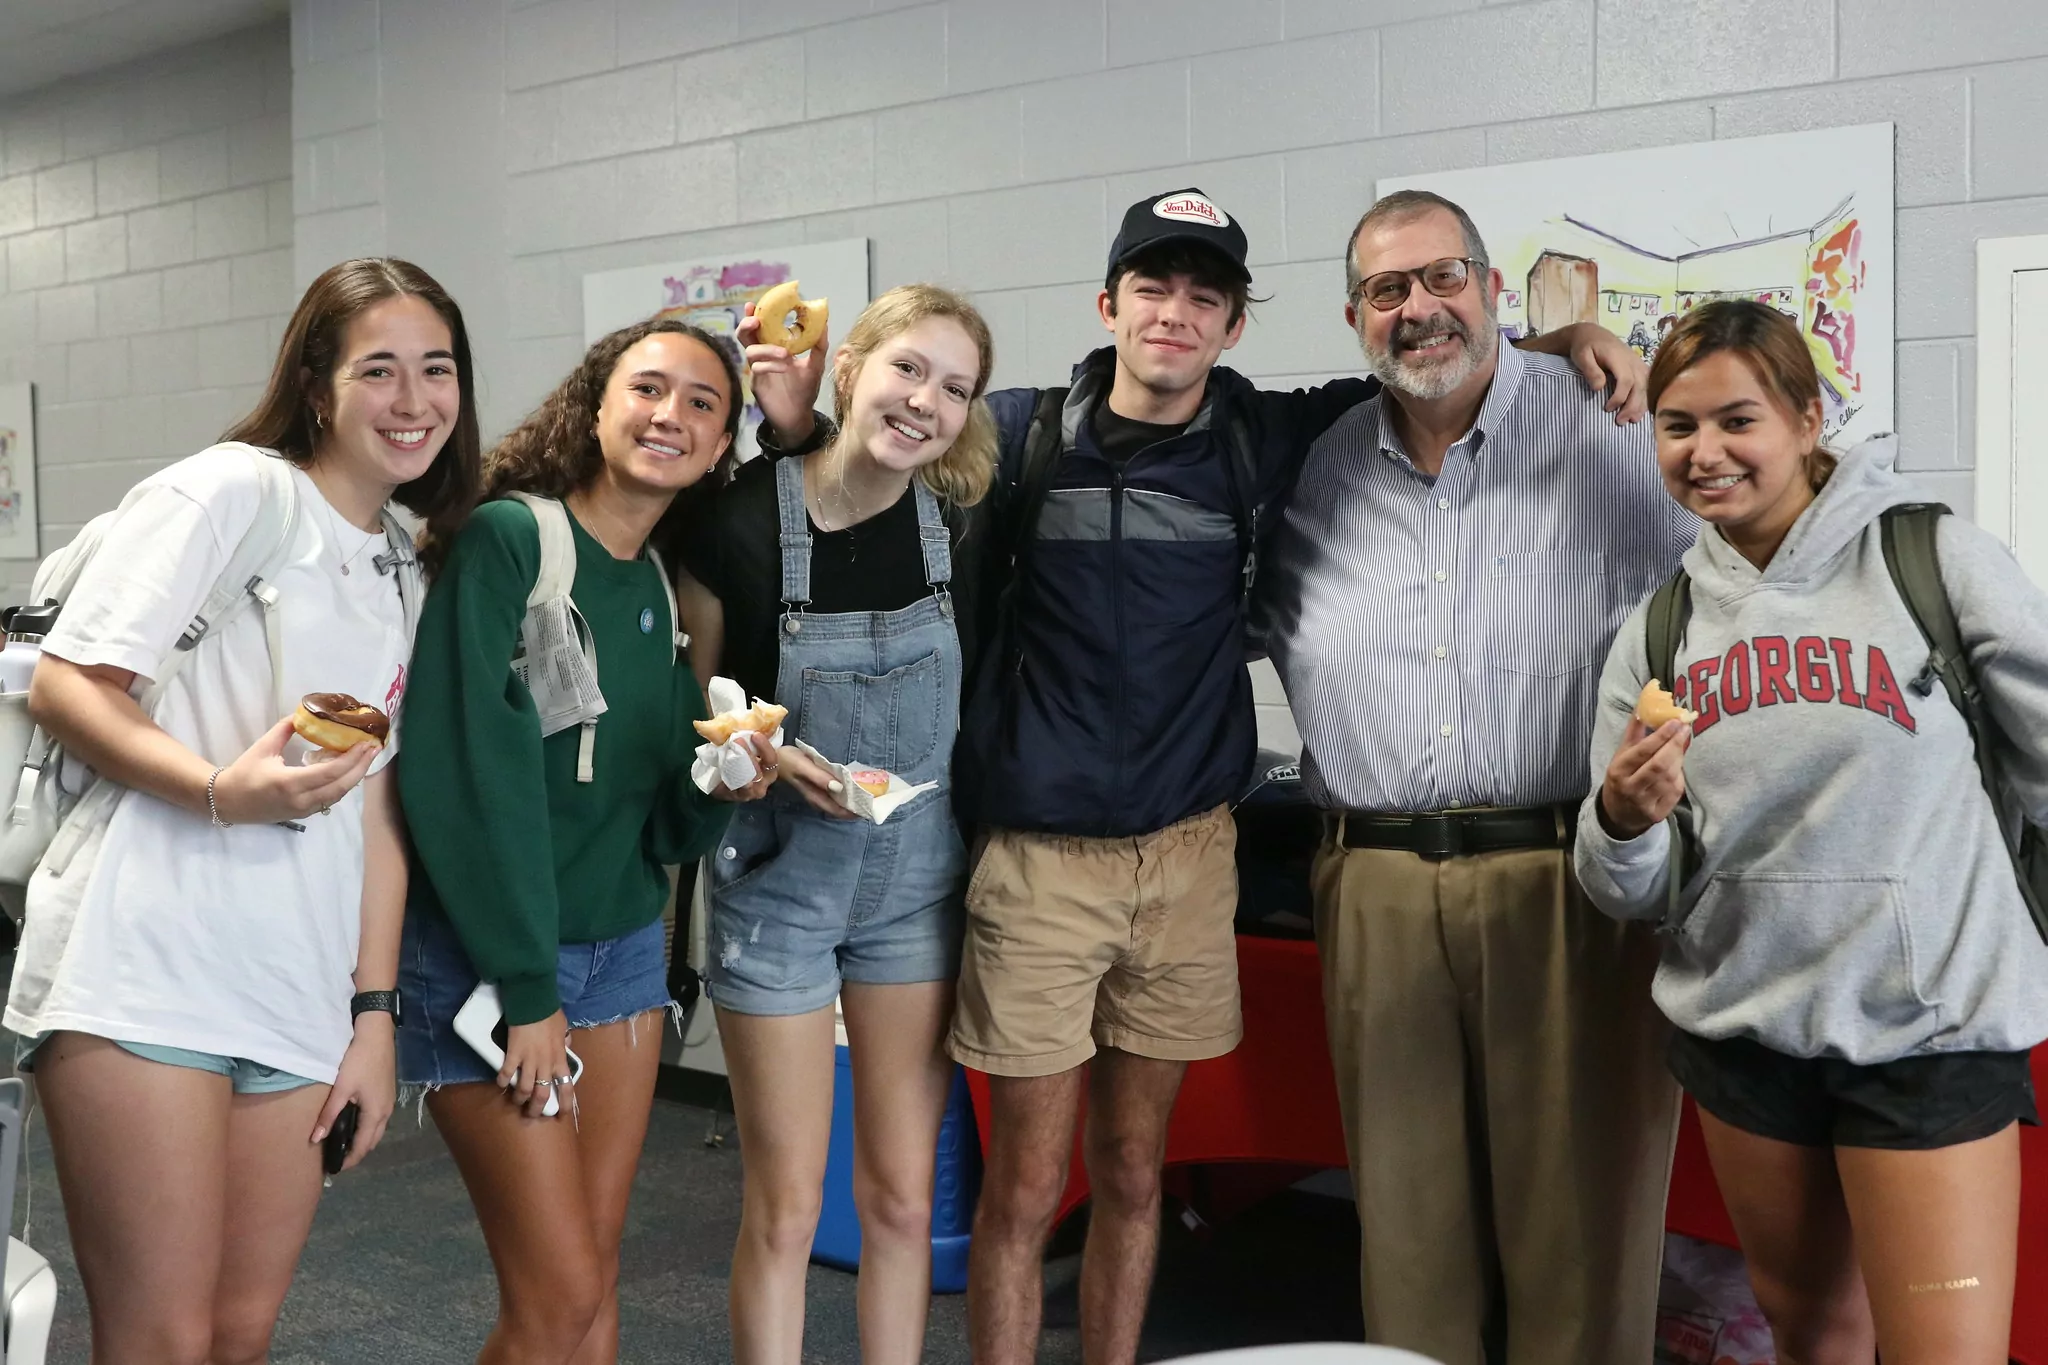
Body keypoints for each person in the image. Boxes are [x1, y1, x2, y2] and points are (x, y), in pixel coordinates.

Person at [876, 186, 1642, 1365]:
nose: (1175, 314)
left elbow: (1435, 356)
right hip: (1036, 864)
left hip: (1190, 860)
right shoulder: (1018, 436)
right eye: (1152, 288)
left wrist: (1559, 340)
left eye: (1205, 296)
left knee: (1136, 1174)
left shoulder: (1265, 437)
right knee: (1029, 1197)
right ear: (1108, 304)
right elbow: (868, 483)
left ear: (1234, 326)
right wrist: (789, 419)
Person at [3, 257, 482, 1364]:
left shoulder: (403, 562)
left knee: (236, 1335)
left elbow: (376, 812)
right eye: (378, 370)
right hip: (144, 967)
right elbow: (74, 682)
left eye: (437, 369)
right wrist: (220, 791)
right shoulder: (231, 492)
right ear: (317, 383)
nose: (412, 402)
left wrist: (372, 1016)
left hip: (298, 990)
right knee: (159, 1339)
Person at [1258, 189, 1694, 1365]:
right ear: (1353, 316)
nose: (1419, 309)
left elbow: (1753, 574)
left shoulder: (1618, 424)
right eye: (1387, 291)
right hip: (1374, 887)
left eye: (1443, 278)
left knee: (1581, 1245)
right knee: (1405, 1243)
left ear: (1495, 291)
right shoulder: (1313, 467)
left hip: (1571, 880)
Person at [1577, 300, 2048, 1365]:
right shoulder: (1659, 627)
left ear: (1803, 415)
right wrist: (1619, 819)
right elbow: (1622, 888)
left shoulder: (1932, 561)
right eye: (1676, 426)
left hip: (1926, 1038)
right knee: (1809, 1341)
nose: (1705, 453)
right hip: (1742, 1027)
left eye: (1735, 419)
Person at [397, 317, 770, 1365]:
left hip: (621, 959)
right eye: (649, 389)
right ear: (594, 403)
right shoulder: (511, 542)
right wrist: (527, 990)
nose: (672, 416)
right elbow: (464, 780)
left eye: (703, 403)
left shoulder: (658, 585)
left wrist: (722, 783)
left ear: (717, 445)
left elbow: (658, 822)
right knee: (555, 1297)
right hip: (497, 967)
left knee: (591, 1282)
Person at [668, 283, 999, 1365]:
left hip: (914, 894)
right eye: (909, 368)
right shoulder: (739, 524)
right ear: (848, 366)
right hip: (778, 894)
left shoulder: (959, 523)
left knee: (903, 1202)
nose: (926, 402)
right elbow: (700, 726)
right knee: (787, 1208)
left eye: (955, 388)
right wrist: (749, 759)